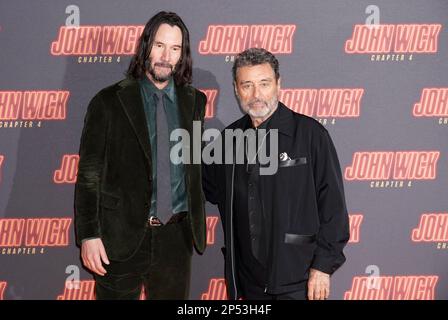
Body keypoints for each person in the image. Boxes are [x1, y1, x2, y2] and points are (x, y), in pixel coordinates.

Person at [74, 11, 207, 300]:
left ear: (182, 55)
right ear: (145, 45)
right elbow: (88, 175)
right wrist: (88, 235)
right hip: (120, 237)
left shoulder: (194, 101)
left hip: (176, 239)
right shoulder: (108, 101)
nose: (165, 56)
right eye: (159, 45)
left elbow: (193, 168)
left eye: (175, 48)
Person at [202, 48, 350, 300]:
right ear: (237, 89)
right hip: (248, 284)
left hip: (299, 280)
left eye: (264, 83)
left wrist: (323, 267)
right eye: (247, 85)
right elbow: (203, 188)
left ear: (278, 84)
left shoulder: (310, 135)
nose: (256, 95)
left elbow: (333, 208)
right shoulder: (228, 140)